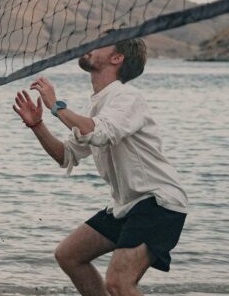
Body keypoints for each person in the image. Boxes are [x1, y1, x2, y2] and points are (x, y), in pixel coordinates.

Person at [11, 39, 188, 296]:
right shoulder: (97, 104)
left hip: (158, 202)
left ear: (117, 58)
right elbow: (66, 155)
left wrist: (56, 105)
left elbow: (100, 132)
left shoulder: (128, 97)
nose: (92, 44)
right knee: (69, 255)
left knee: (118, 282)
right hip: (127, 205)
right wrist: (37, 125)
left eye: (103, 43)